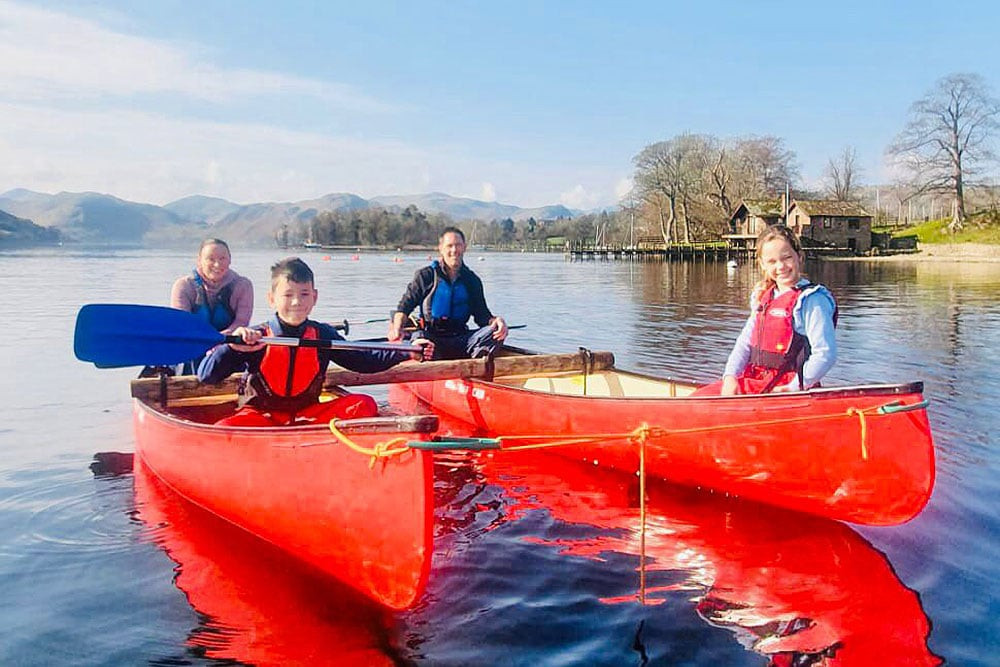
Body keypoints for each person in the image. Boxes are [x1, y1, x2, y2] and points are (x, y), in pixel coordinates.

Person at [198, 257, 433, 426]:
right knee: (226, 428)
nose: (296, 302)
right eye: (287, 295)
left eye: (304, 294)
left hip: (307, 415)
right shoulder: (256, 336)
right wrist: (231, 348)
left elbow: (364, 360)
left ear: (315, 297)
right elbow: (206, 376)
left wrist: (407, 351)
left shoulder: (322, 335)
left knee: (364, 404)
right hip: (261, 417)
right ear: (271, 299)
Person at [695, 225, 837, 396]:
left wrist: (794, 387)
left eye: (786, 258)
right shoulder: (763, 297)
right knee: (700, 397)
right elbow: (744, 342)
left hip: (787, 388)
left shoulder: (812, 300)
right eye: (772, 261)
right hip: (757, 381)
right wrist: (730, 376)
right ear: (762, 264)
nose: (781, 266)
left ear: (799, 256)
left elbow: (825, 354)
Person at [388, 227, 508, 359]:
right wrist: (397, 329)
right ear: (441, 248)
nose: (454, 250)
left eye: (458, 245)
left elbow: (482, 316)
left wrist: (498, 322)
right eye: (449, 246)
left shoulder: (472, 280)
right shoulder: (425, 276)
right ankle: (428, 358)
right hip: (431, 336)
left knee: (495, 332)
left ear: (464, 247)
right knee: (420, 341)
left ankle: (475, 364)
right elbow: (403, 308)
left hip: (461, 339)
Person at [170, 238, 254, 374]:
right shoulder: (184, 286)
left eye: (222, 258)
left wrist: (219, 342)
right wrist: (207, 342)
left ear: (230, 260)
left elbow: (241, 322)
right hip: (193, 345)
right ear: (199, 261)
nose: (217, 264)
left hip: (228, 346)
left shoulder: (243, 285)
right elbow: (183, 324)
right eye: (210, 259)